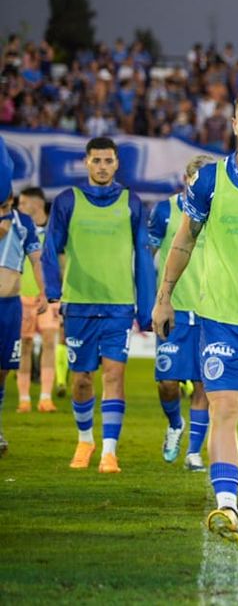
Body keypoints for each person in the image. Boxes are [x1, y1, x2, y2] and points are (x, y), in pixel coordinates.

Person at [153, 86, 238, 541]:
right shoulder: (210, 180)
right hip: (221, 319)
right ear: (233, 125)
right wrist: (164, 296)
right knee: (225, 406)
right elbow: (185, 240)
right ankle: (227, 505)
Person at [42, 137, 156, 474]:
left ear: (117, 163)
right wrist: (52, 292)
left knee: (114, 375)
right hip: (78, 304)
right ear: (86, 162)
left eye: (108, 161)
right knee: (81, 381)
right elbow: (51, 249)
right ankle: (85, 439)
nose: (103, 167)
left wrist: (145, 308)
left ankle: (109, 451)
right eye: (97, 161)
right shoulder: (67, 201)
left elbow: (144, 260)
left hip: (119, 305)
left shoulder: (132, 203)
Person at [146, 156, 216, 469]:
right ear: (187, 179)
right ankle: (175, 424)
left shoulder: (221, 210)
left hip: (210, 310)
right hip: (175, 311)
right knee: (167, 382)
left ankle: (193, 452)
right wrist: (157, 299)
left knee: (205, 385)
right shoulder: (164, 211)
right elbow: (147, 259)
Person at [0, 192, 47, 454]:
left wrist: (43, 291)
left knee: (3, 369)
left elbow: (37, 259)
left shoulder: (23, 223)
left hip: (9, 306)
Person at [15, 187, 59, 413]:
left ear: (36, 203)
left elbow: (63, 261)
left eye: (22, 204)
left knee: (50, 343)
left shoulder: (55, 229)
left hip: (50, 297)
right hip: (22, 295)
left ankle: (45, 397)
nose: (19, 208)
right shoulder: (19, 229)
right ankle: (24, 398)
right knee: (24, 346)